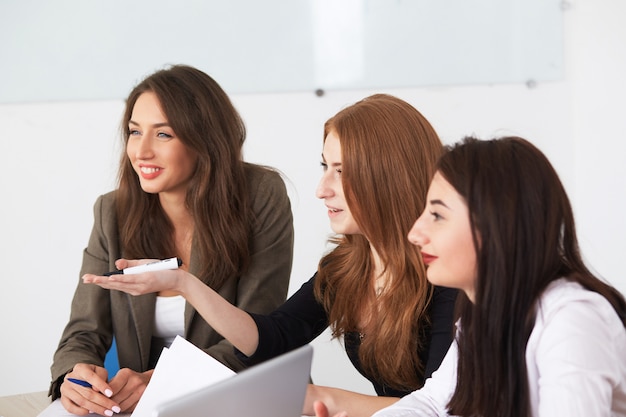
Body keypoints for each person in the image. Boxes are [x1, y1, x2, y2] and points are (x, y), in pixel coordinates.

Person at [84, 94, 458, 417]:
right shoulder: (345, 269)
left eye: (341, 172)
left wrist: (315, 398)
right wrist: (183, 283)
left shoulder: (449, 278)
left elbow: (439, 406)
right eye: (325, 167)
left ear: (388, 177)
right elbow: (271, 339)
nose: (321, 189)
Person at [49, 65, 295, 416]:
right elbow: (84, 332)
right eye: (135, 132)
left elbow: (258, 337)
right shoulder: (112, 212)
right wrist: (75, 376)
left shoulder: (260, 196)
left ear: (204, 139)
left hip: (238, 398)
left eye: (163, 135)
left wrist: (166, 380)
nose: (142, 152)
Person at [367, 136, 626, 417]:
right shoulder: (482, 313)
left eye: (437, 215)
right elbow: (431, 402)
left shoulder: (572, 318)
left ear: (496, 225)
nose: (414, 233)